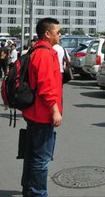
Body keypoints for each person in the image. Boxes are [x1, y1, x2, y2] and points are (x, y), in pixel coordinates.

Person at [21, 17, 62, 197]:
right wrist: (55, 111)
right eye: (57, 32)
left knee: (32, 155)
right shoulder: (44, 54)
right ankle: (38, 193)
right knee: (41, 159)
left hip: (34, 112)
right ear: (47, 33)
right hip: (42, 113)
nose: (60, 35)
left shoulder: (37, 51)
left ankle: (29, 190)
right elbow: (46, 88)